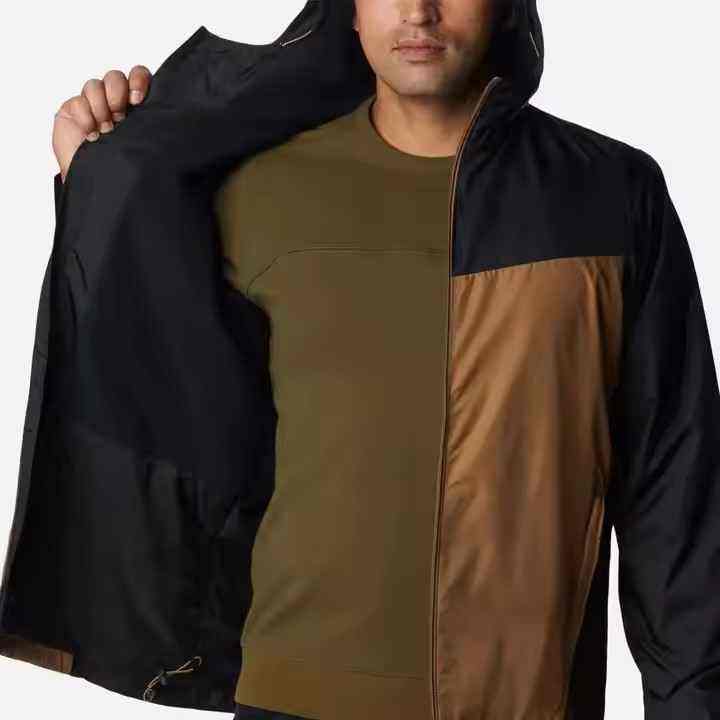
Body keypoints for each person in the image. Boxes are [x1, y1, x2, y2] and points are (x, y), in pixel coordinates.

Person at [7, 0, 720, 718]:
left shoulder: (610, 196)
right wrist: (104, 182)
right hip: (290, 697)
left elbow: (675, 488)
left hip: (522, 700)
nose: (418, 11)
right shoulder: (259, 191)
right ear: (347, 9)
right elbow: (170, 411)